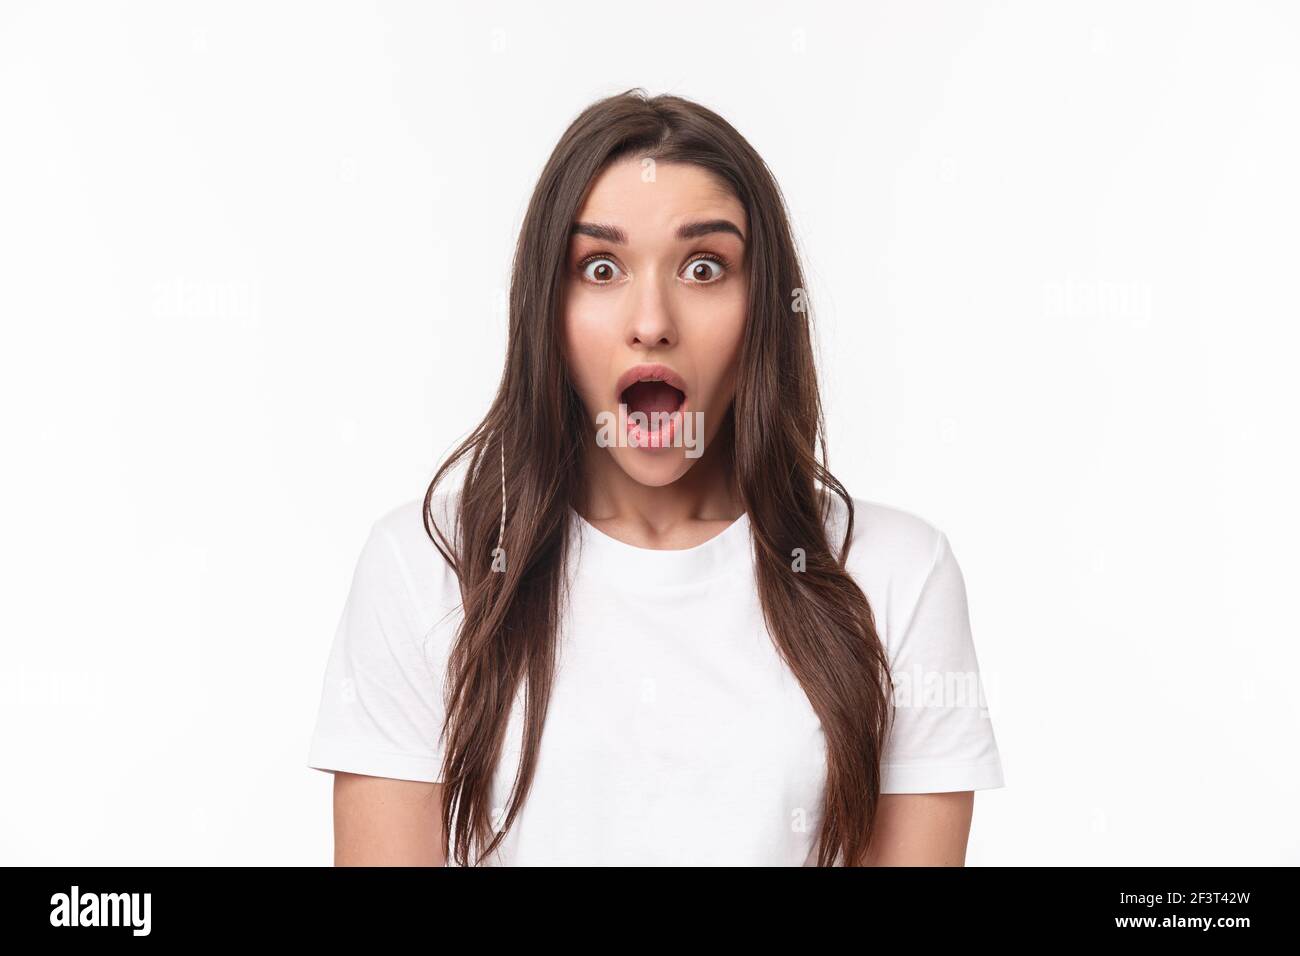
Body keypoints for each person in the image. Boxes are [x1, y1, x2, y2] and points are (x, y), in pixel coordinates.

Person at [307, 88, 1005, 866]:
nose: (652, 319)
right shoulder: (424, 566)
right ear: (548, 307)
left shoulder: (897, 572)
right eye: (600, 267)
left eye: (704, 267)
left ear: (765, 307)